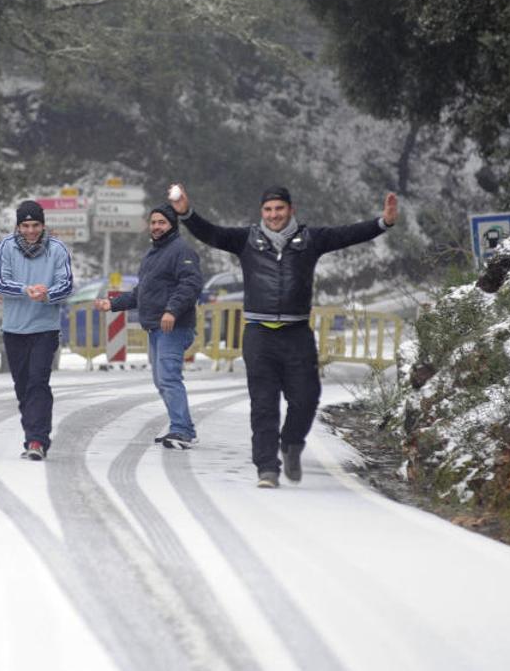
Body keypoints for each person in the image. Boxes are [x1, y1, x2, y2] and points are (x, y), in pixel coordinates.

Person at [169, 184, 398, 487]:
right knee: (263, 404)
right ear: (261, 213)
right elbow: (212, 233)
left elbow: (348, 234)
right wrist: (186, 212)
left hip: (297, 333)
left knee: (306, 397)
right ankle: (267, 468)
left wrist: (384, 223)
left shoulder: (310, 239)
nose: (274, 215)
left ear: (291, 209)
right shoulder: (246, 240)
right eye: (268, 210)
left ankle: (291, 443)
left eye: (279, 209)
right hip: (258, 335)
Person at [95, 204, 204, 450]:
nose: (156, 227)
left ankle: (182, 431)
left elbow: (190, 285)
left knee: (168, 378)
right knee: (161, 380)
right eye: (153, 222)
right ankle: (182, 427)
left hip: (173, 326)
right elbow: (140, 294)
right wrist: (111, 304)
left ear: (172, 224)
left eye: (162, 222)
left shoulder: (181, 250)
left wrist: (171, 311)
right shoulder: (153, 255)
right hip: (156, 327)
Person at [0, 200, 74, 460]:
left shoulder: (58, 249)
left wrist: (47, 294)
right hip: (14, 328)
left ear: (43, 224)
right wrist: (24, 290)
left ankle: (37, 440)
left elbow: (67, 284)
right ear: (18, 226)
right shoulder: (5, 247)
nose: (30, 231)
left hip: (45, 328)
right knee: (23, 385)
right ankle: (33, 435)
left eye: (35, 225)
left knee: (38, 381)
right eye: (25, 225)